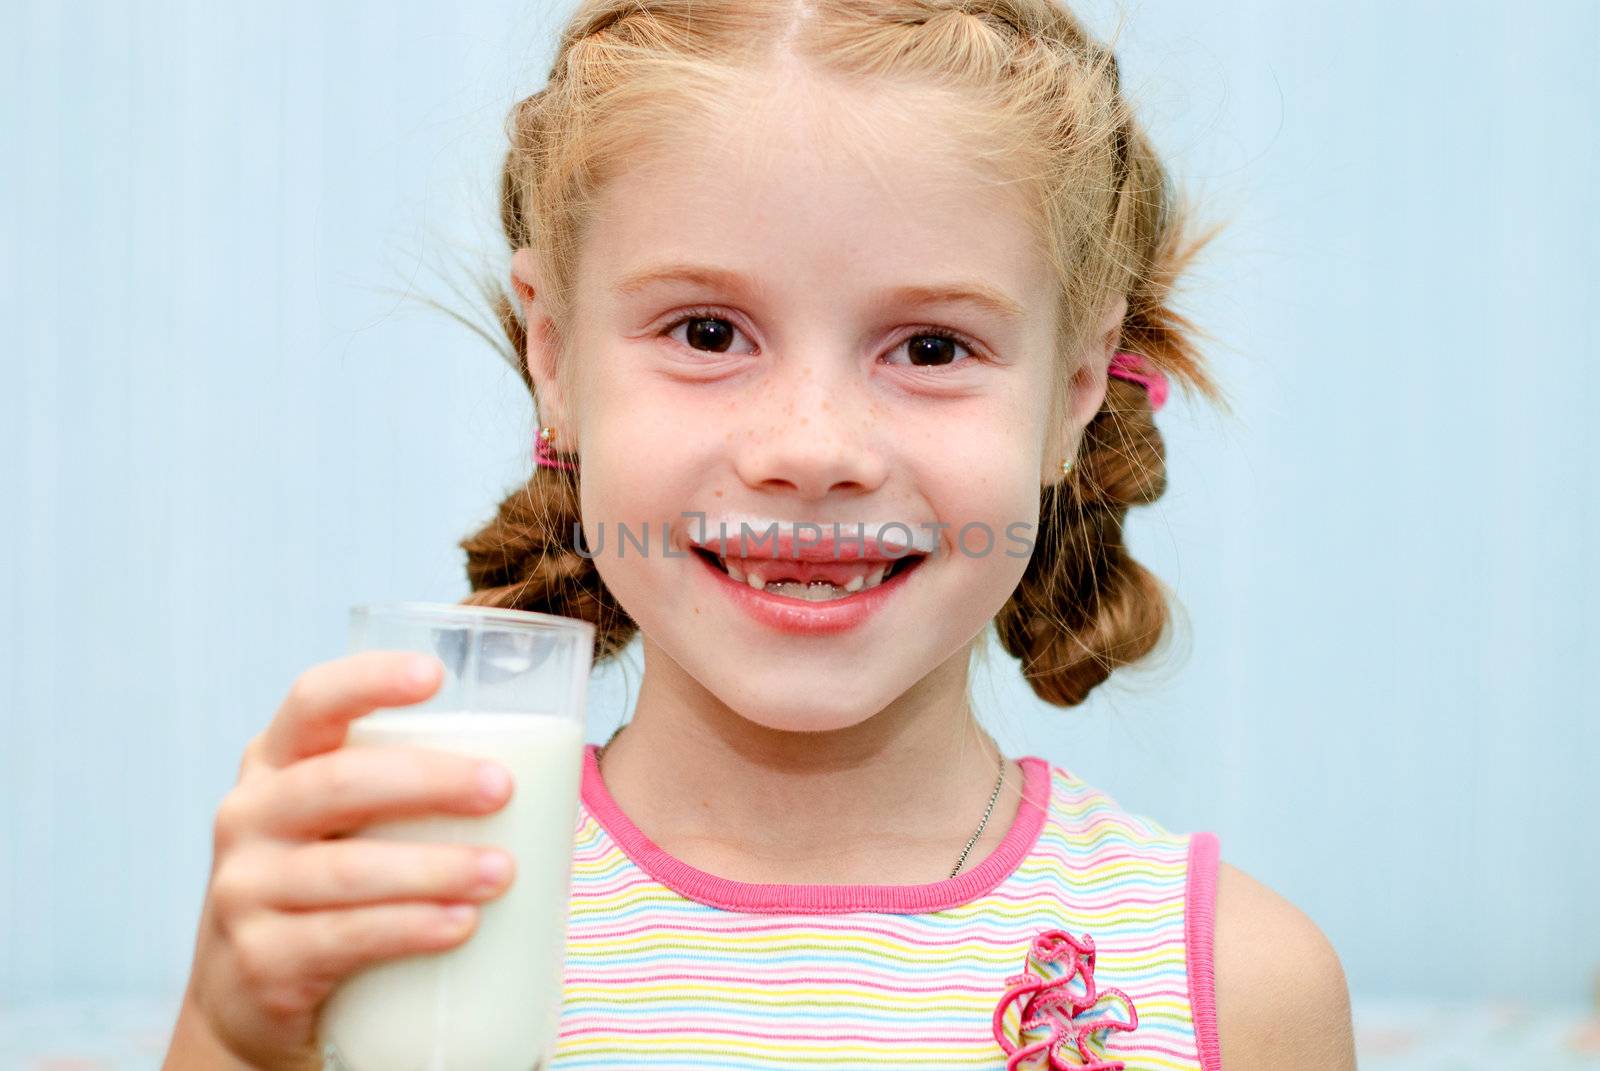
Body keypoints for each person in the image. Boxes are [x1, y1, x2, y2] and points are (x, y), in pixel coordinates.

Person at [163, 1, 1357, 1068]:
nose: (811, 443)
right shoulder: (400, 922)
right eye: (706, 333)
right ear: (553, 354)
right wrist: (231, 1042)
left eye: (931, 348)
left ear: (1078, 387)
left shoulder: (1229, 989)